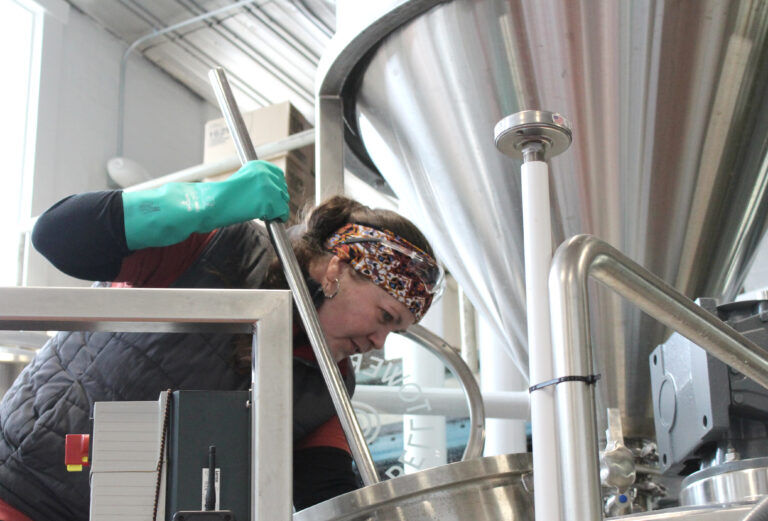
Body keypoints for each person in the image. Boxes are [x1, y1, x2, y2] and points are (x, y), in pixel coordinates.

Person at [0, 160, 443, 521]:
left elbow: (323, 488)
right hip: (16, 490)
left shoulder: (330, 385)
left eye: (395, 330)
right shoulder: (220, 248)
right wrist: (203, 202)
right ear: (337, 270)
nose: (380, 342)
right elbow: (59, 236)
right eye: (386, 316)